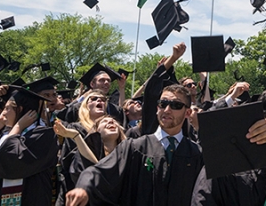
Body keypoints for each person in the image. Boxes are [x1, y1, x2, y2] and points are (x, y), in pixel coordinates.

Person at [65, 84, 203, 206]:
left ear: (188, 113)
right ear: (157, 108)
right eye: (162, 104)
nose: (167, 110)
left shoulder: (198, 154)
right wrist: (84, 187)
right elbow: (101, 171)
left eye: (175, 105)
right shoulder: (134, 147)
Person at [0, 88, 59, 206]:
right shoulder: (5, 135)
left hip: (28, 200)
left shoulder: (43, 135)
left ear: (20, 109)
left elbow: (9, 159)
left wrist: (18, 126)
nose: (2, 113)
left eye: (7, 108)